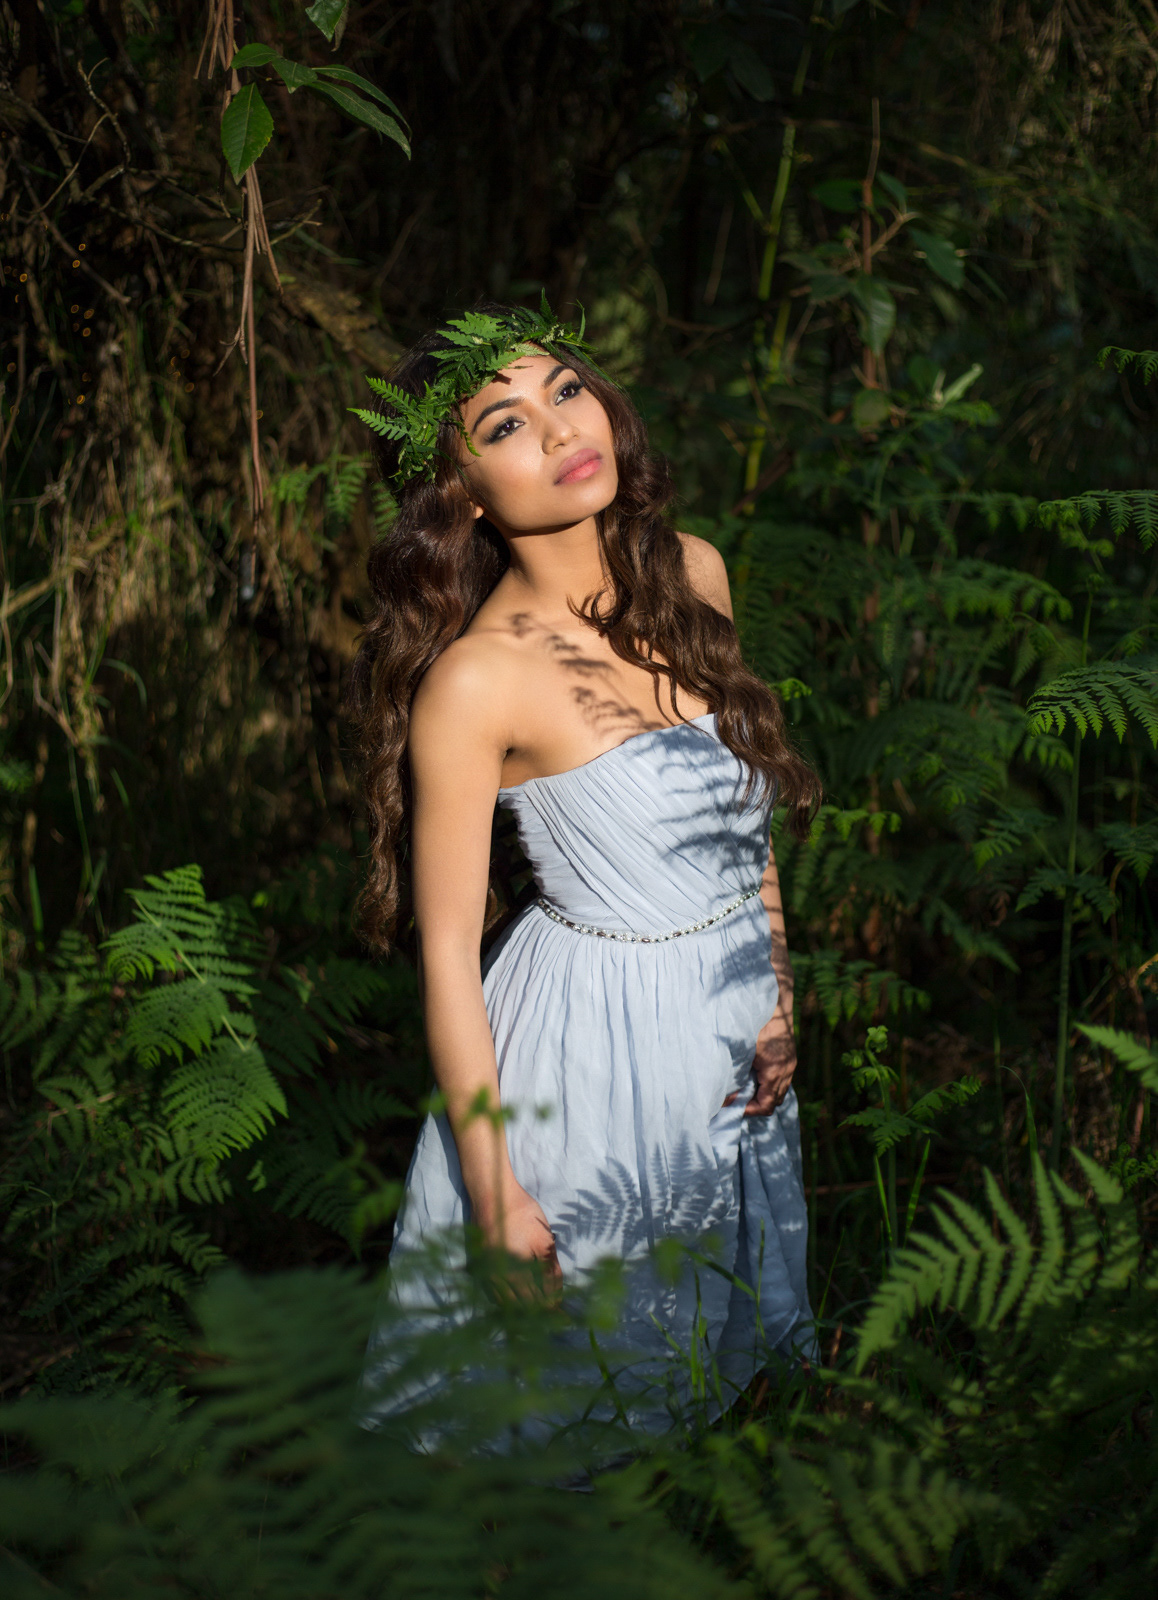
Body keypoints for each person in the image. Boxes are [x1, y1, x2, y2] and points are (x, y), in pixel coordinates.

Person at [350, 301, 819, 1433]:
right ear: (461, 491)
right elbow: (448, 959)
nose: (561, 428)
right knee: (574, 1415)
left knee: (724, 1391)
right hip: (589, 1055)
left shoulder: (693, 573)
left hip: (728, 1030)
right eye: (506, 423)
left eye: (565, 389)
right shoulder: (476, 682)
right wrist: (496, 1193)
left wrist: (776, 993)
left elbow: (740, 820)